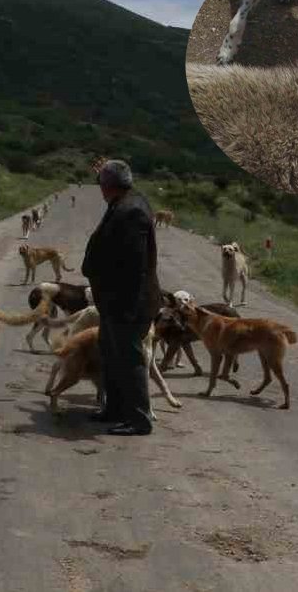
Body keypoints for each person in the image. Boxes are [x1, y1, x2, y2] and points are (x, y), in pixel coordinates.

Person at [80, 158, 162, 436]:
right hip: (116, 302)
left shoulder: (131, 211)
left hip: (129, 303)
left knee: (129, 359)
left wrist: (127, 306)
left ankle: (139, 419)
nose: (99, 188)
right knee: (111, 354)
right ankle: (114, 409)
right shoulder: (126, 201)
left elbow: (135, 267)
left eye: (101, 183)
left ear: (109, 185)